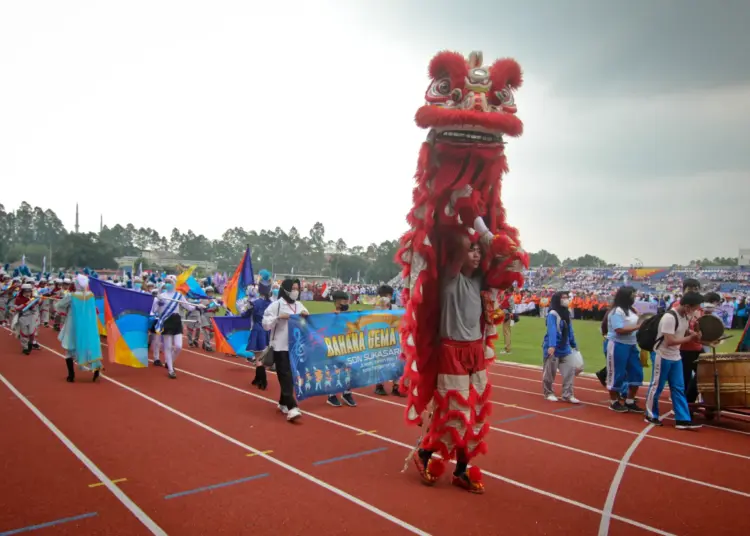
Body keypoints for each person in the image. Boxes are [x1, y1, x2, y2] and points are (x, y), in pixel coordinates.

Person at [644, 291, 704, 430]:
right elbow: (670, 340)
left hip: (675, 356)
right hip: (663, 355)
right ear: (688, 306)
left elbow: (682, 332)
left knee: (678, 388)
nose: (695, 311)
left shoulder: (685, 317)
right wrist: (690, 338)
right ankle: (651, 414)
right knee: (656, 386)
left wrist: (693, 334)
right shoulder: (669, 317)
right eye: (695, 308)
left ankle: (682, 419)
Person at [262, 278, 309, 422]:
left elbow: (308, 322)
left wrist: (306, 317)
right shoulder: (276, 305)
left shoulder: (300, 305)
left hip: (296, 347)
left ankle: (283, 402)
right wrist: (279, 317)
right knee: (285, 376)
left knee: (293, 377)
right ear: (286, 289)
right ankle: (292, 407)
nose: (295, 291)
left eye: (297, 288)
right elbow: (265, 324)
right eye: (293, 288)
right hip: (280, 347)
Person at [55, 274, 103, 382]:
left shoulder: (71, 296)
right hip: (88, 327)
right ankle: (96, 370)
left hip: (73, 327)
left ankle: (71, 375)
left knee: (69, 350)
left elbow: (58, 306)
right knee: (90, 348)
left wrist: (63, 304)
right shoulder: (91, 295)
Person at [150, 275, 199, 379]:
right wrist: (158, 302)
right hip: (166, 321)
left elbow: (188, 307)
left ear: (174, 283)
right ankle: (171, 370)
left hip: (176, 321)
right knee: (167, 347)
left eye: (170, 282)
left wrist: (197, 305)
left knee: (178, 346)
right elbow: (154, 310)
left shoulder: (179, 296)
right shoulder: (161, 296)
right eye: (166, 282)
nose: (168, 284)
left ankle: (170, 361)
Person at [605, 286, 645, 413]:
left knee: (637, 372)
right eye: (632, 295)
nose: (634, 298)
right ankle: (613, 401)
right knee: (618, 373)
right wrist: (638, 327)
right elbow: (619, 330)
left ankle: (630, 400)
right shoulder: (616, 311)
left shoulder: (632, 310)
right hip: (618, 344)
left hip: (631, 345)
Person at [542, 291, 580, 403]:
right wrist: (552, 345)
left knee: (570, 370)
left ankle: (568, 394)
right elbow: (552, 329)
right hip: (553, 347)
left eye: (567, 297)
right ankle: (548, 392)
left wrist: (573, 343)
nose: (566, 299)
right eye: (563, 297)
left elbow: (570, 329)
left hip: (565, 347)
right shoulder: (552, 314)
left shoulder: (566, 313)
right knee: (550, 372)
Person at [670, 278, 702, 405]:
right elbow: (679, 326)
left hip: (697, 346)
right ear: (684, 290)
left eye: (696, 288)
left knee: (703, 374)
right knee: (685, 377)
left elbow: (700, 325)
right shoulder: (678, 305)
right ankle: (682, 405)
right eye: (690, 288)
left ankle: (688, 402)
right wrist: (691, 333)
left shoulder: (699, 306)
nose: (694, 291)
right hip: (683, 347)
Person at [327, 290, 357, 407]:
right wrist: (334, 317)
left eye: (347, 300)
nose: (346, 303)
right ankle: (331, 395)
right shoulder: (331, 315)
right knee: (335, 370)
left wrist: (358, 314)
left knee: (349, 369)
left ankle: (347, 393)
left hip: (348, 345)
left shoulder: (349, 314)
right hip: (335, 346)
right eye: (344, 301)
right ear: (337, 302)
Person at [373, 284, 404, 397]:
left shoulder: (395, 308)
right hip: (381, 339)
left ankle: (396, 386)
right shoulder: (376, 308)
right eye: (383, 296)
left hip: (394, 339)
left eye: (387, 295)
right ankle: (379, 385)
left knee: (397, 362)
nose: (385, 298)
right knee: (381, 362)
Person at [249, 271, 273, 390]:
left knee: (258, 357)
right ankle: (257, 378)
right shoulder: (272, 303)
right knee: (261, 356)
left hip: (258, 330)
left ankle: (262, 380)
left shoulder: (255, 303)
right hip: (268, 331)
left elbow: (245, 314)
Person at [13, 283, 41, 354]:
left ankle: (30, 343)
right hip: (23, 317)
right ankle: (25, 347)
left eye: (29, 291)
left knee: (32, 333)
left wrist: (36, 301)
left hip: (31, 317)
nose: (27, 293)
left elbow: (35, 308)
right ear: (22, 291)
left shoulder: (32, 298)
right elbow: (16, 308)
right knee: (24, 333)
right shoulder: (18, 298)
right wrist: (25, 304)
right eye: (26, 291)